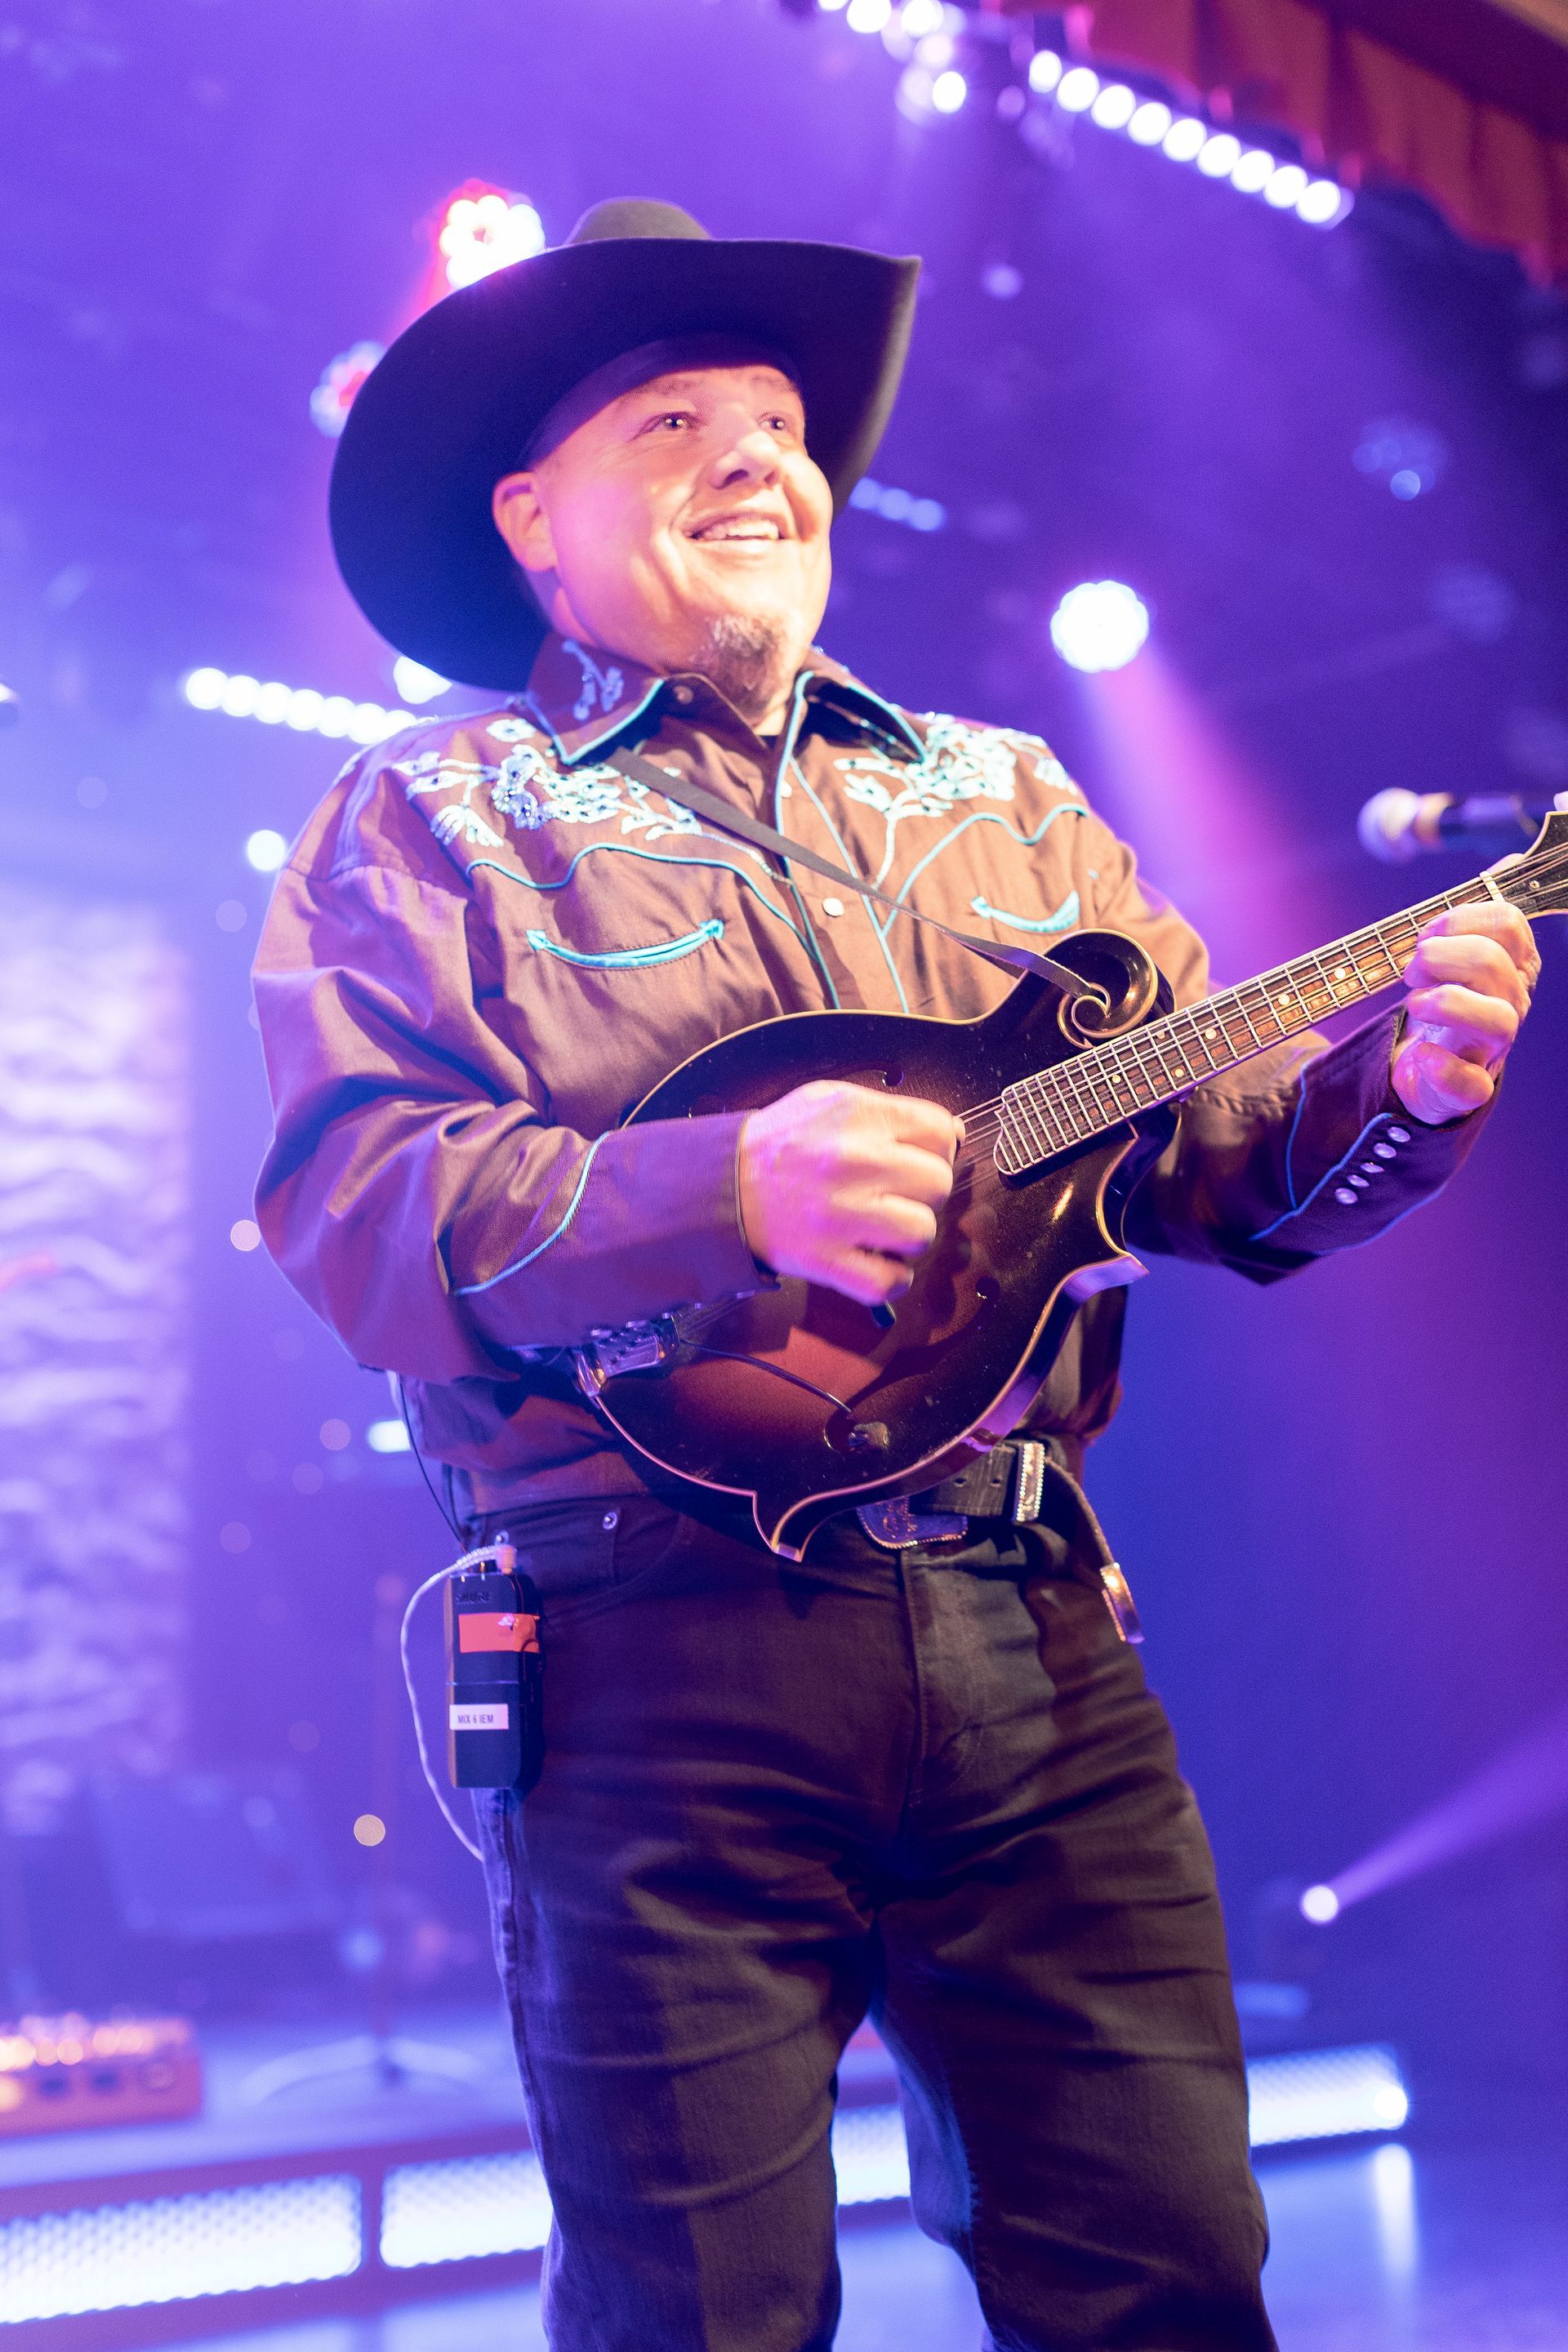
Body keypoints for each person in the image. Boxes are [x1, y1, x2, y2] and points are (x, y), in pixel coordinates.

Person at [253, 201, 1537, 2352]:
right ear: (534, 523)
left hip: (1034, 1624)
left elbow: (1217, 1173)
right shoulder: (428, 817)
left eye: (778, 422)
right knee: (702, 2316)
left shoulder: (1015, 801)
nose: (759, 455)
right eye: (675, 423)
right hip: (642, 1651)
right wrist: (715, 1190)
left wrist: (1399, 1098)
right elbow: (353, 1212)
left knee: (1173, 2284)